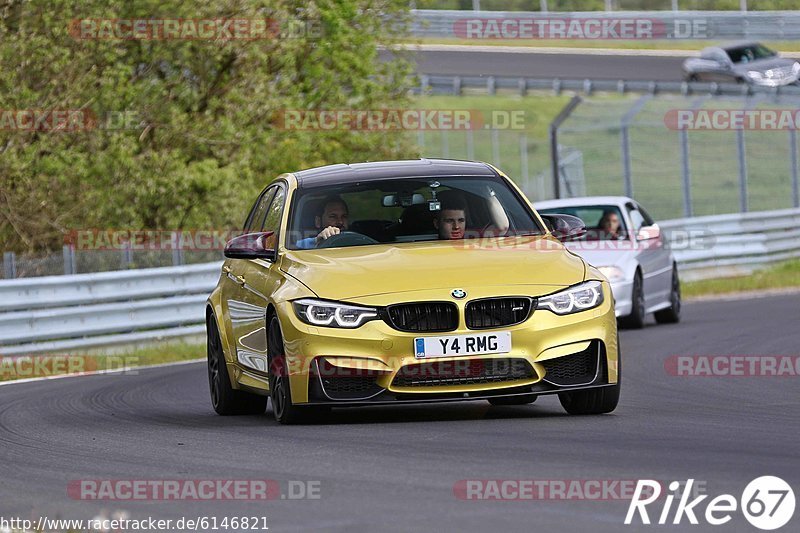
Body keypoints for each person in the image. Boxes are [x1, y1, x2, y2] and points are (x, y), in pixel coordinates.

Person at [433, 187, 509, 240]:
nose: (456, 227)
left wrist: (487, 193)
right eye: (449, 221)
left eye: (461, 220)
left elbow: (502, 227)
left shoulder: (473, 238)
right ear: (436, 224)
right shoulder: (424, 243)